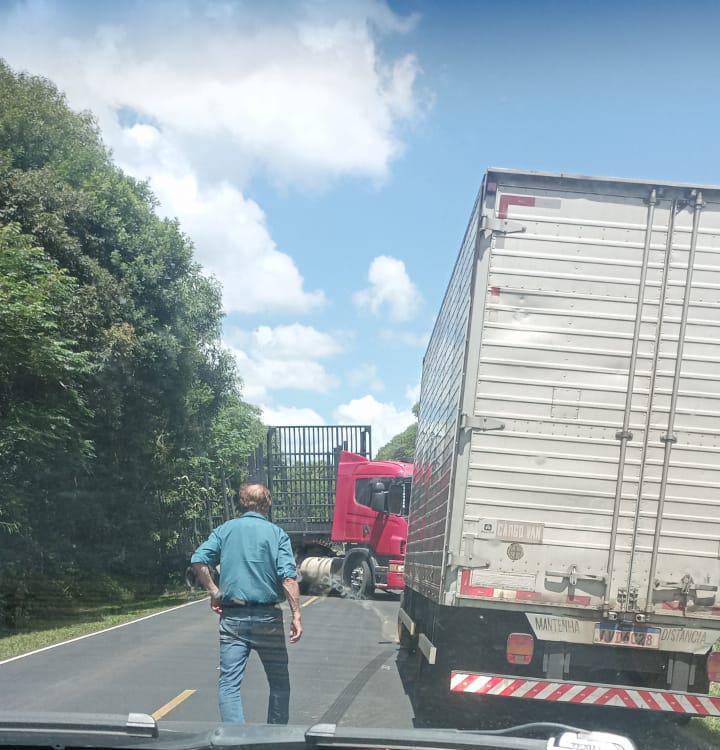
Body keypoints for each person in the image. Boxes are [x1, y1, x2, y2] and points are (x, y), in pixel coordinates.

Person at [191, 483, 302, 724]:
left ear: (242, 503)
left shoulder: (225, 530)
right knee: (279, 683)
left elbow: (198, 560)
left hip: (233, 620)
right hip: (268, 620)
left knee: (229, 685)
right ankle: (274, 738)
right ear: (268, 502)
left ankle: (237, 741)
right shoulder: (277, 534)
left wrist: (214, 591)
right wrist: (296, 615)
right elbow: (288, 578)